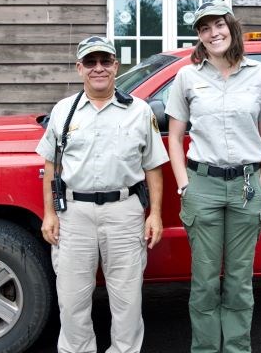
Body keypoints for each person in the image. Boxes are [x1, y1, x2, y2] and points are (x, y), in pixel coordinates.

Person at [165, 0, 261, 352]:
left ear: (232, 28)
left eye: (218, 25)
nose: (212, 33)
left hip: (248, 186)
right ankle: (204, 348)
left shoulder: (259, 74)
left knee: (238, 280)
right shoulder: (187, 76)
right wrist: (184, 185)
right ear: (199, 38)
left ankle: (236, 348)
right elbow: (174, 137)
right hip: (202, 185)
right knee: (204, 282)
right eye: (204, 28)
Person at [36, 36, 169, 353]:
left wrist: (155, 214)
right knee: (72, 298)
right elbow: (51, 166)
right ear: (80, 68)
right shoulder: (63, 111)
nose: (99, 68)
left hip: (124, 213)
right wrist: (50, 213)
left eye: (105, 61)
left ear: (115, 66)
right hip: (74, 215)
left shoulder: (138, 111)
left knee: (127, 298)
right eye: (91, 62)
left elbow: (153, 167)